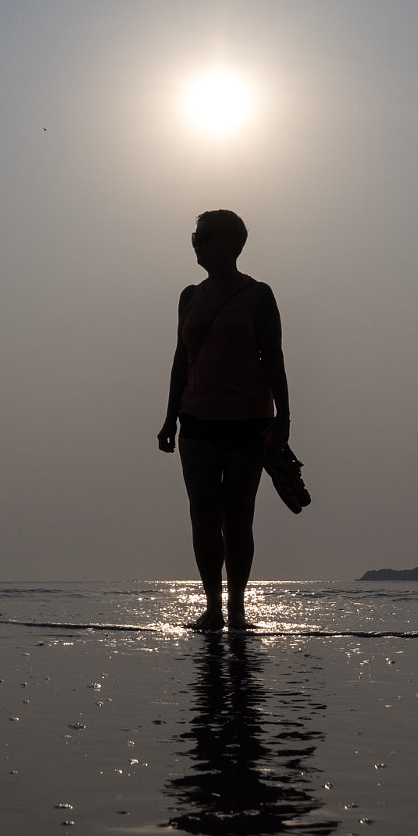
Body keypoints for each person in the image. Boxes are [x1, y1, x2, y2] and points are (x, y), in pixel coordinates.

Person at [157, 210, 290, 630]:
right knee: (203, 514)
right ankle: (212, 607)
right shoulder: (190, 296)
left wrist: (283, 415)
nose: (197, 243)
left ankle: (236, 610)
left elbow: (274, 357)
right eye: (195, 236)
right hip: (196, 417)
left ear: (233, 243)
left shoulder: (258, 294)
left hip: (248, 418)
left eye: (206, 237)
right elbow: (182, 359)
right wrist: (168, 417)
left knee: (237, 516)